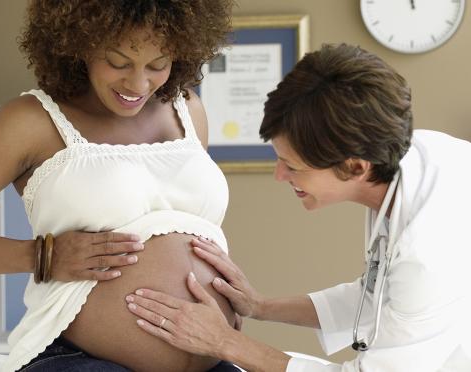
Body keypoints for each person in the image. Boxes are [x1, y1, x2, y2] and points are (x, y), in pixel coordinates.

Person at [0, 1, 243, 371]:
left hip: (213, 353)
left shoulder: (188, 108)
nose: (138, 84)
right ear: (80, 43)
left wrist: (226, 291)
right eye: (118, 62)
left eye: (158, 64)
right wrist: (42, 257)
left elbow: (189, 230)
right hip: (81, 358)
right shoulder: (28, 122)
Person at [125, 43, 471, 372]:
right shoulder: (415, 156)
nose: (280, 175)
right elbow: (378, 296)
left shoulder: (431, 252)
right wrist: (260, 307)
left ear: (355, 167)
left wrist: (225, 342)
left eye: (294, 166)